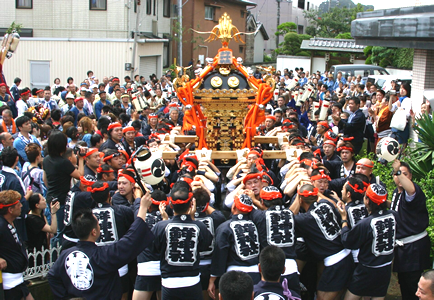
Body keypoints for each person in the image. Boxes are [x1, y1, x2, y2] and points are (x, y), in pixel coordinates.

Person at [47, 191, 155, 299]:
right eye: (98, 225)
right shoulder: (103, 255)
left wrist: (64, 297)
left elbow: (52, 276)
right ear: (94, 232)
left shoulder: (66, 254)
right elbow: (130, 240)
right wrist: (142, 208)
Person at [291, 183, 354, 299]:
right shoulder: (326, 204)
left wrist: (298, 198)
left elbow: (287, 218)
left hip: (336, 262)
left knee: (322, 297)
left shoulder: (305, 219)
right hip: (346, 255)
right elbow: (330, 203)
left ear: (301, 200)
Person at [151, 181, 212, 300]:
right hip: (192, 281)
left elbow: (154, 249)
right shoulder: (199, 226)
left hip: (169, 282)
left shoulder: (160, 226)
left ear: (171, 205)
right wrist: (192, 219)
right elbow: (206, 246)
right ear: (191, 204)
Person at [338, 183, 396, 299]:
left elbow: (348, 241)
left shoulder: (366, 223)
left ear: (367, 201)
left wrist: (344, 220)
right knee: (378, 296)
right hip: (385, 267)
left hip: (367, 269)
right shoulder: (393, 215)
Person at [391, 160, 431, 300]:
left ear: (410, 176)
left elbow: (411, 190)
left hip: (414, 248)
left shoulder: (413, 193)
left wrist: (399, 171)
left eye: (404, 174)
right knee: (404, 283)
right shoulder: (397, 192)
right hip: (403, 248)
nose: (400, 177)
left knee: (413, 285)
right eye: (396, 174)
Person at [209, 194, 261, 298]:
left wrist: (212, 279)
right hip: (256, 274)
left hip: (232, 276)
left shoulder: (224, 227)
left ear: (233, 207)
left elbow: (220, 254)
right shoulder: (257, 224)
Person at [90, 181, 135, 300]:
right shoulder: (122, 211)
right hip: (119, 260)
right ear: (109, 196)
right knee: (122, 293)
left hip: (96, 261)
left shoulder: (87, 216)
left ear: (92, 197)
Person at [43, 130, 84, 245]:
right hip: (61, 200)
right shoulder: (63, 162)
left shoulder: (46, 159)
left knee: (54, 228)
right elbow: (80, 175)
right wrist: (81, 159)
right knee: (60, 231)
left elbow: (44, 179)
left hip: (50, 197)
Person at [0, 190, 35, 300]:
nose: (21, 205)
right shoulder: (0, 226)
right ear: (10, 210)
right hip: (8, 284)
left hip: (18, 280)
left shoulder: (13, 221)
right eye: (18, 204)